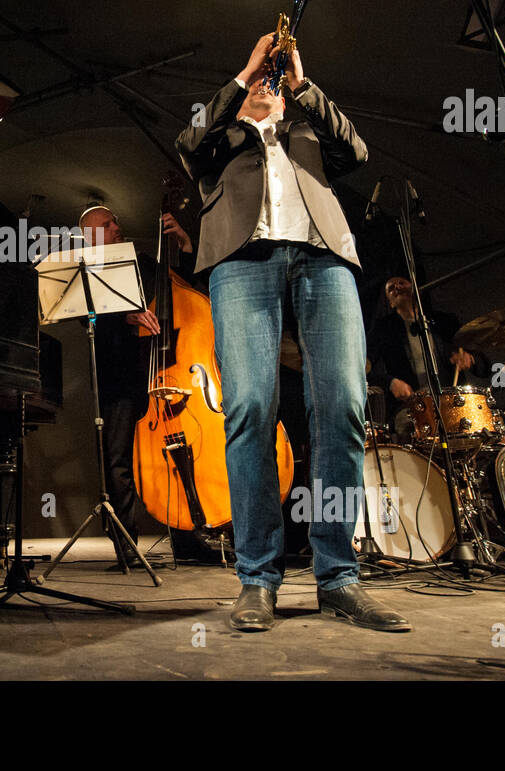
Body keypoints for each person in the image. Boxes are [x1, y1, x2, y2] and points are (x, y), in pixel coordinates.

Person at [175, 33, 410, 632]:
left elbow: (357, 149)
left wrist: (302, 83)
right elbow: (186, 140)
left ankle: (339, 576)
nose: (267, 87)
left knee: (344, 404)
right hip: (242, 259)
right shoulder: (221, 140)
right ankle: (257, 577)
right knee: (250, 405)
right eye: (262, 83)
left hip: (323, 259)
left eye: (272, 84)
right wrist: (243, 74)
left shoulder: (308, 134)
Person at [77, 204, 193, 566]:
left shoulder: (141, 262)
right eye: (107, 224)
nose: (117, 226)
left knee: (177, 458)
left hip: (162, 373)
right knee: (119, 462)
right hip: (119, 378)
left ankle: (190, 539)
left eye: (116, 221)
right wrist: (124, 316)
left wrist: (185, 246)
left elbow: (181, 288)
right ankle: (126, 545)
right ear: (90, 236)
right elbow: (86, 319)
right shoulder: (85, 272)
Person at [367, 276, 490, 444]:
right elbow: (364, 368)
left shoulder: (444, 322)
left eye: (401, 283)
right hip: (412, 407)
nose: (397, 288)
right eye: (391, 288)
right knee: (406, 426)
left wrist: (470, 359)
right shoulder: (384, 329)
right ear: (390, 303)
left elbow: (486, 366)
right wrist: (390, 382)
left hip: (454, 402)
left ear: (416, 290)